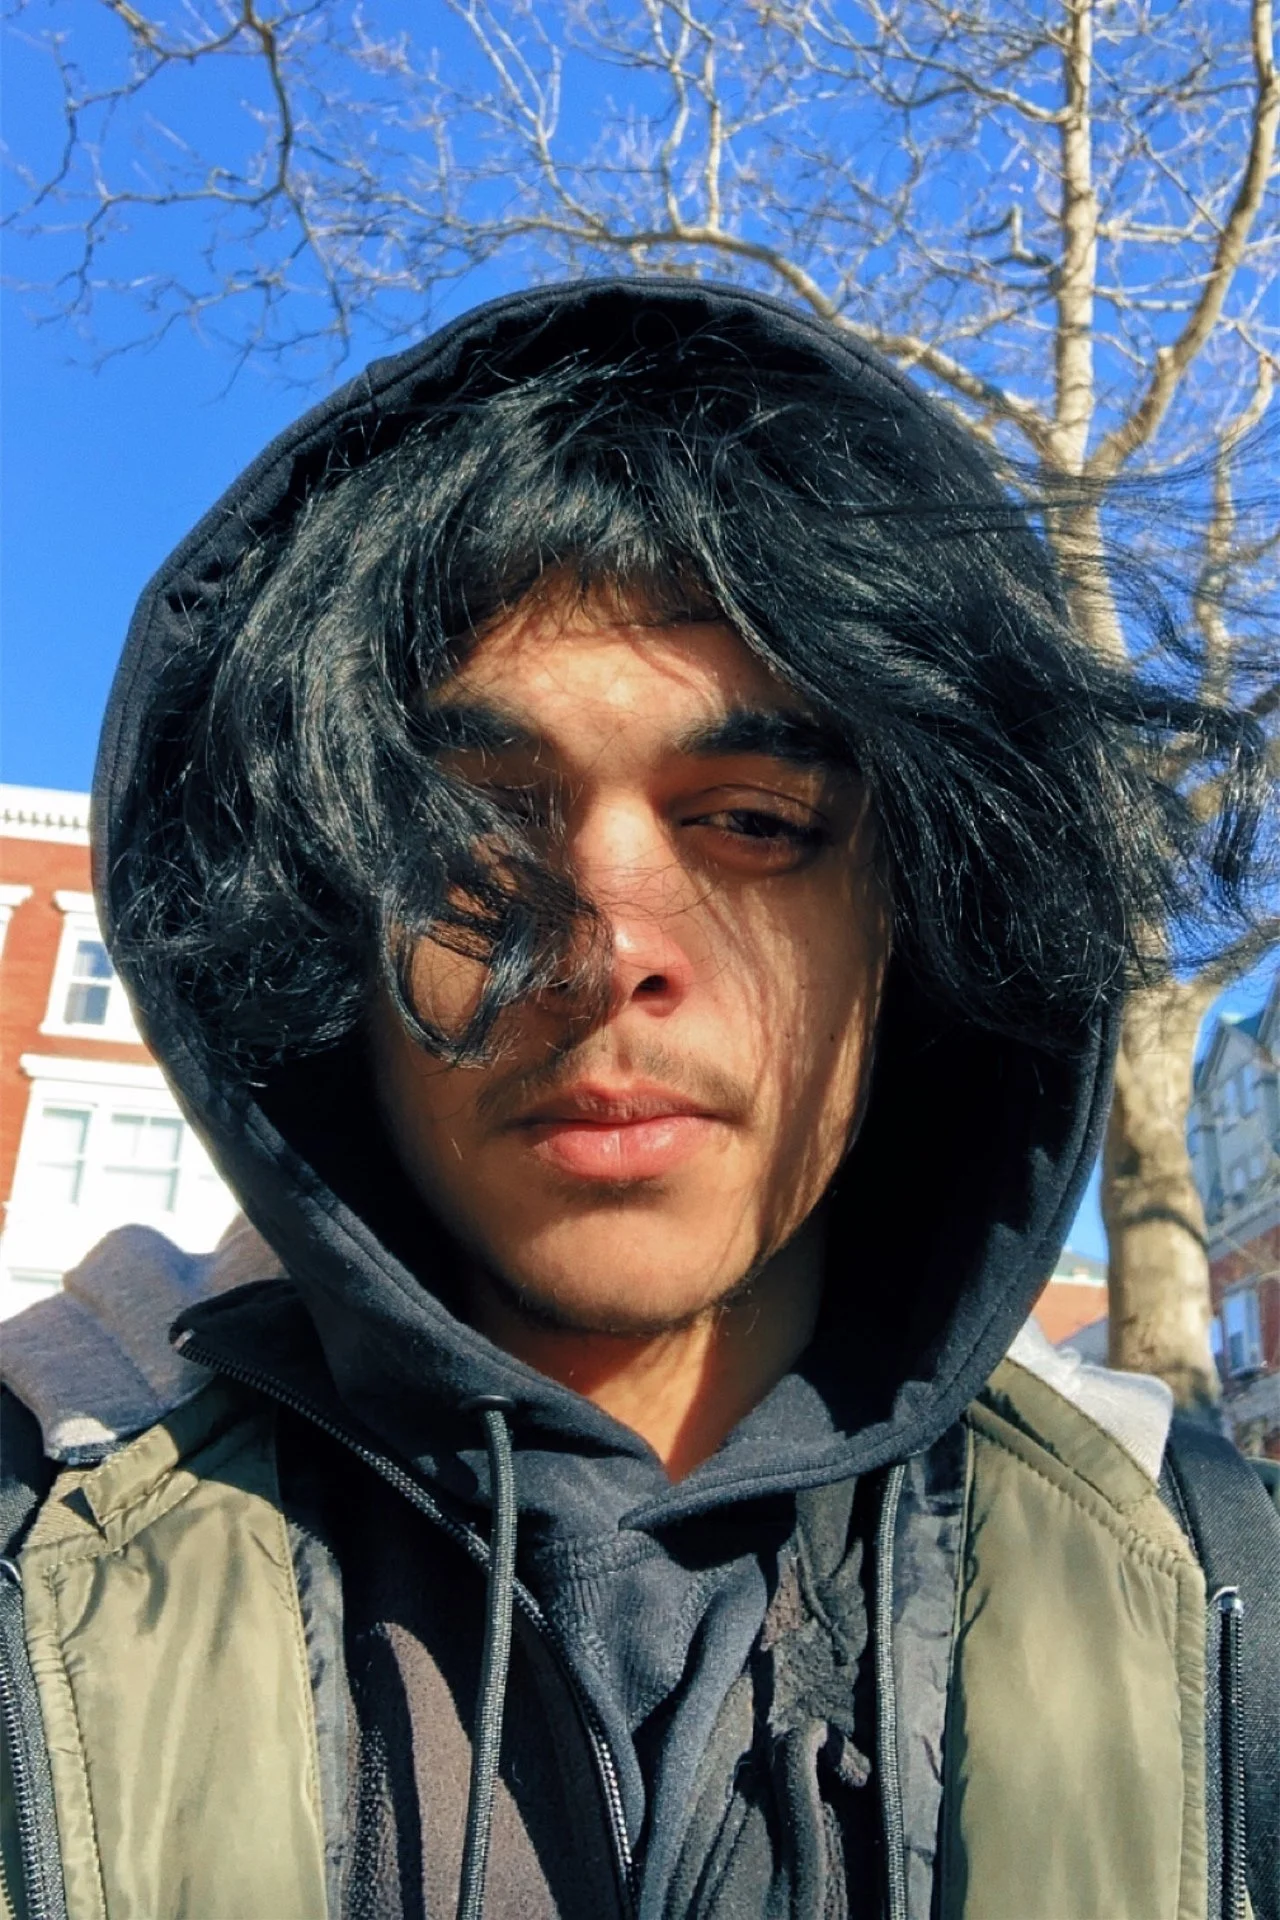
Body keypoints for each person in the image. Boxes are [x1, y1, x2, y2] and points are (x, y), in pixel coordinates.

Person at [0, 280, 1276, 1920]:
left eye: (753, 822)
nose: (604, 957)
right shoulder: (46, 1541)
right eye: (469, 836)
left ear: (916, 923)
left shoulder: (1206, 1584)